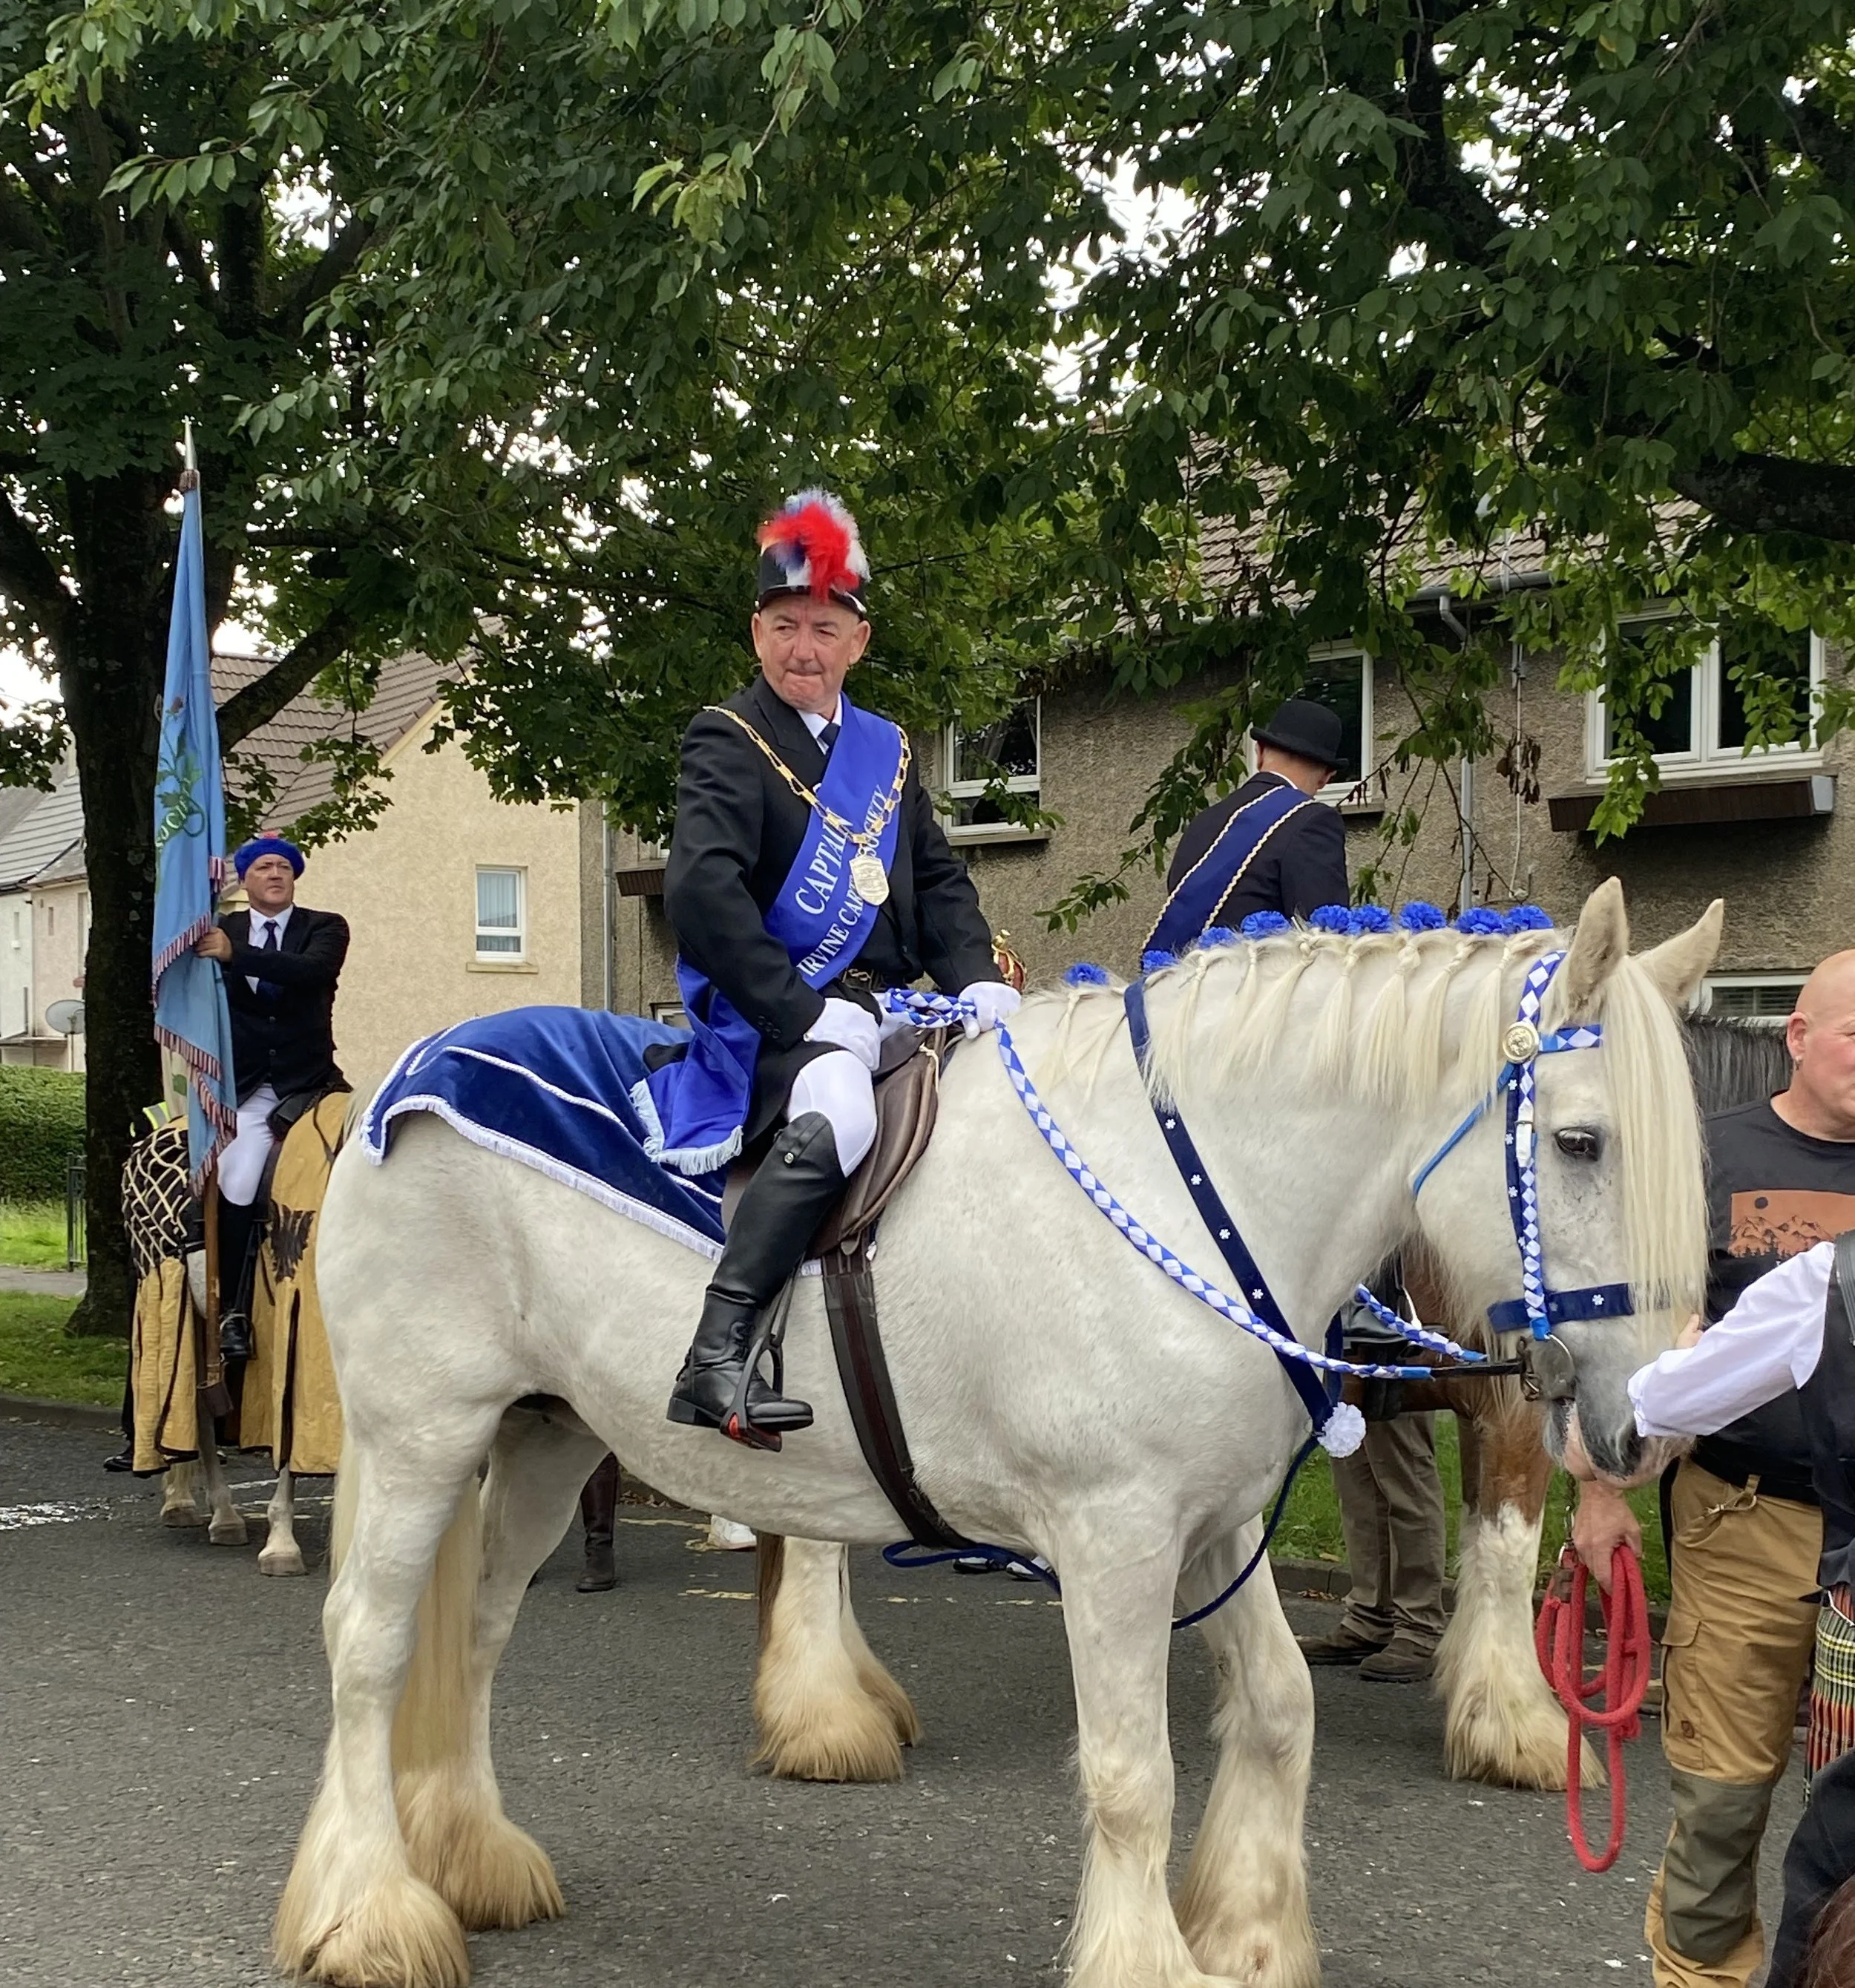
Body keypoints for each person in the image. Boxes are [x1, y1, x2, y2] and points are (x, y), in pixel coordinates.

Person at [656, 491, 1020, 1449]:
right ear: (756, 633)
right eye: (784, 627)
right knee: (847, 1109)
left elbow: (937, 880)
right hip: (770, 1016)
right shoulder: (726, 739)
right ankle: (718, 1351)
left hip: (892, 1006)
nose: (802, 648)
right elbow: (703, 896)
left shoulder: (888, 750)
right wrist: (798, 1009)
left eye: (823, 627)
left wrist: (977, 971)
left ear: (858, 638)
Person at [1575, 949, 1855, 1988]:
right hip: (1747, 1520)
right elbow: (1640, 1351)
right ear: (1797, 1033)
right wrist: (1599, 1493)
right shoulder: (1709, 1156)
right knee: (1725, 1797)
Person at [192, 835, 349, 1360]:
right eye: (263, 866)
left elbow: (311, 973)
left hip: (310, 1082)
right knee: (238, 1176)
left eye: (285, 865)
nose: (276, 873)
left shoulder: (324, 927)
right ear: (245, 880)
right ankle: (233, 1309)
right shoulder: (221, 930)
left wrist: (236, 955)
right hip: (248, 1086)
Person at [1296, 1283, 1448, 1682]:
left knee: (1403, 1473)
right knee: (1357, 1480)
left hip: (1392, 1321)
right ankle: (1371, 1615)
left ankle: (1420, 1624)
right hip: (1346, 1325)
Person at [1148, 695, 1348, 954]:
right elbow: (1326, 941)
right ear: (1326, 778)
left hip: (1186, 989)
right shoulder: (1313, 820)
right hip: (1259, 991)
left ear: (1260, 752)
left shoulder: (1204, 822)